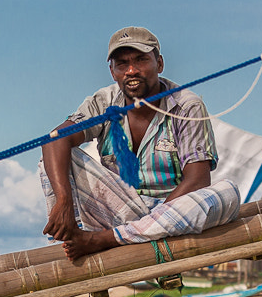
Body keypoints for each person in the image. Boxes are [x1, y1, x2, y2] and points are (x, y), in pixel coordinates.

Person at [41, 27, 242, 261]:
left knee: (227, 193)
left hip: (171, 213)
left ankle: (102, 240)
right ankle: (74, 237)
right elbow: (56, 139)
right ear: (112, 72)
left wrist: (155, 223)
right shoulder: (104, 101)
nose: (132, 71)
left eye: (141, 60)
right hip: (121, 210)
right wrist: (63, 200)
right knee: (55, 153)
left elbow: (197, 180)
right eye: (122, 64)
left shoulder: (186, 105)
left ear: (160, 64)